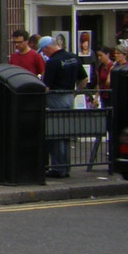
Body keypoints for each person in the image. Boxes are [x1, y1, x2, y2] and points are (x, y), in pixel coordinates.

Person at [41, 36, 85, 178]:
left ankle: (58, 168)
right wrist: (75, 93)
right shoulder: (73, 57)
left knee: (55, 134)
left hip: (55, 99)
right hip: (69, 98)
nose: (44, 54)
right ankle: (65, 167)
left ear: (48, 48)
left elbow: (46, 87)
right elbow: (84, 79)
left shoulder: (52, 62)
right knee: (65, 133)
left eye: (43, 51)